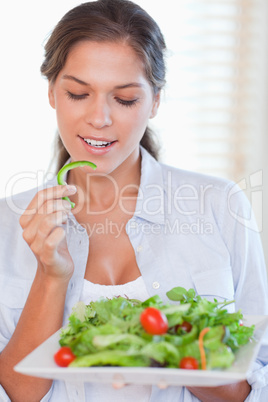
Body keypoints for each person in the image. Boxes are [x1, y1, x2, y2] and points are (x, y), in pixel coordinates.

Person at [0, 0, 268, 401]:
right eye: (78, 93)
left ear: (155, 101)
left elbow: (254, 385)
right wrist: (51, 274)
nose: (100, 118)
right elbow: (18, 393)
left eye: (125, 99)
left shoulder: (219, 204)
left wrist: (173, 349)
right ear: (53, 93)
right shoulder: (9, 222)